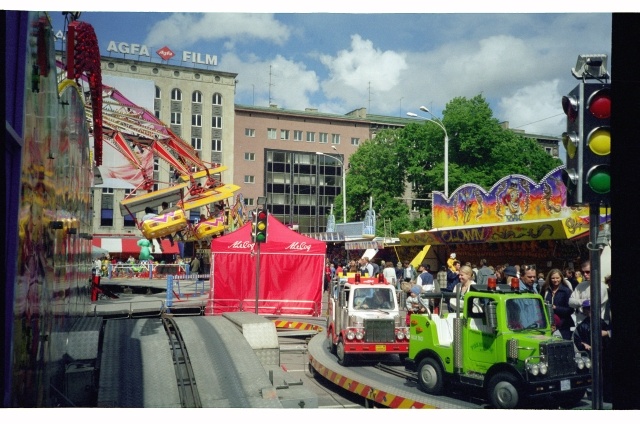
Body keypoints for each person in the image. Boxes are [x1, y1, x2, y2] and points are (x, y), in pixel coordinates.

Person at [573, 299, 612, 402]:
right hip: (589, 356)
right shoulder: (582, 326)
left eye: (592, 308)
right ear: (584, 311)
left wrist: (607, 334)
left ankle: (606, 395)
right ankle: (592, 396)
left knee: (605, 375)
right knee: (590, 376)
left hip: (603, 355)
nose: (590, 311)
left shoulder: (602, 323)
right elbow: (577, 339)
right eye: (587, 309)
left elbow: (609, 337)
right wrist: (583, 344)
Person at [568, 260, 609, 326]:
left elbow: (591, 306)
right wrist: (583, 302)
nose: (585, 274)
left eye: (588, 272)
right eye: (583, 272)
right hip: (579, 323)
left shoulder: (601, 286)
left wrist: (579, 304)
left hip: (594, 324)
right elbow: (570, 302)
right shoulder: (580, 285)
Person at [540, 269, 575, 340]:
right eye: (553, 278)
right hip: (548, 324)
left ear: (561, 278)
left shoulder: (566, 291)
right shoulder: (546, 289)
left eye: (557, 278)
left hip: (563, 325)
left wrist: (556, 308)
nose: (555, 280)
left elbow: (570, 310)